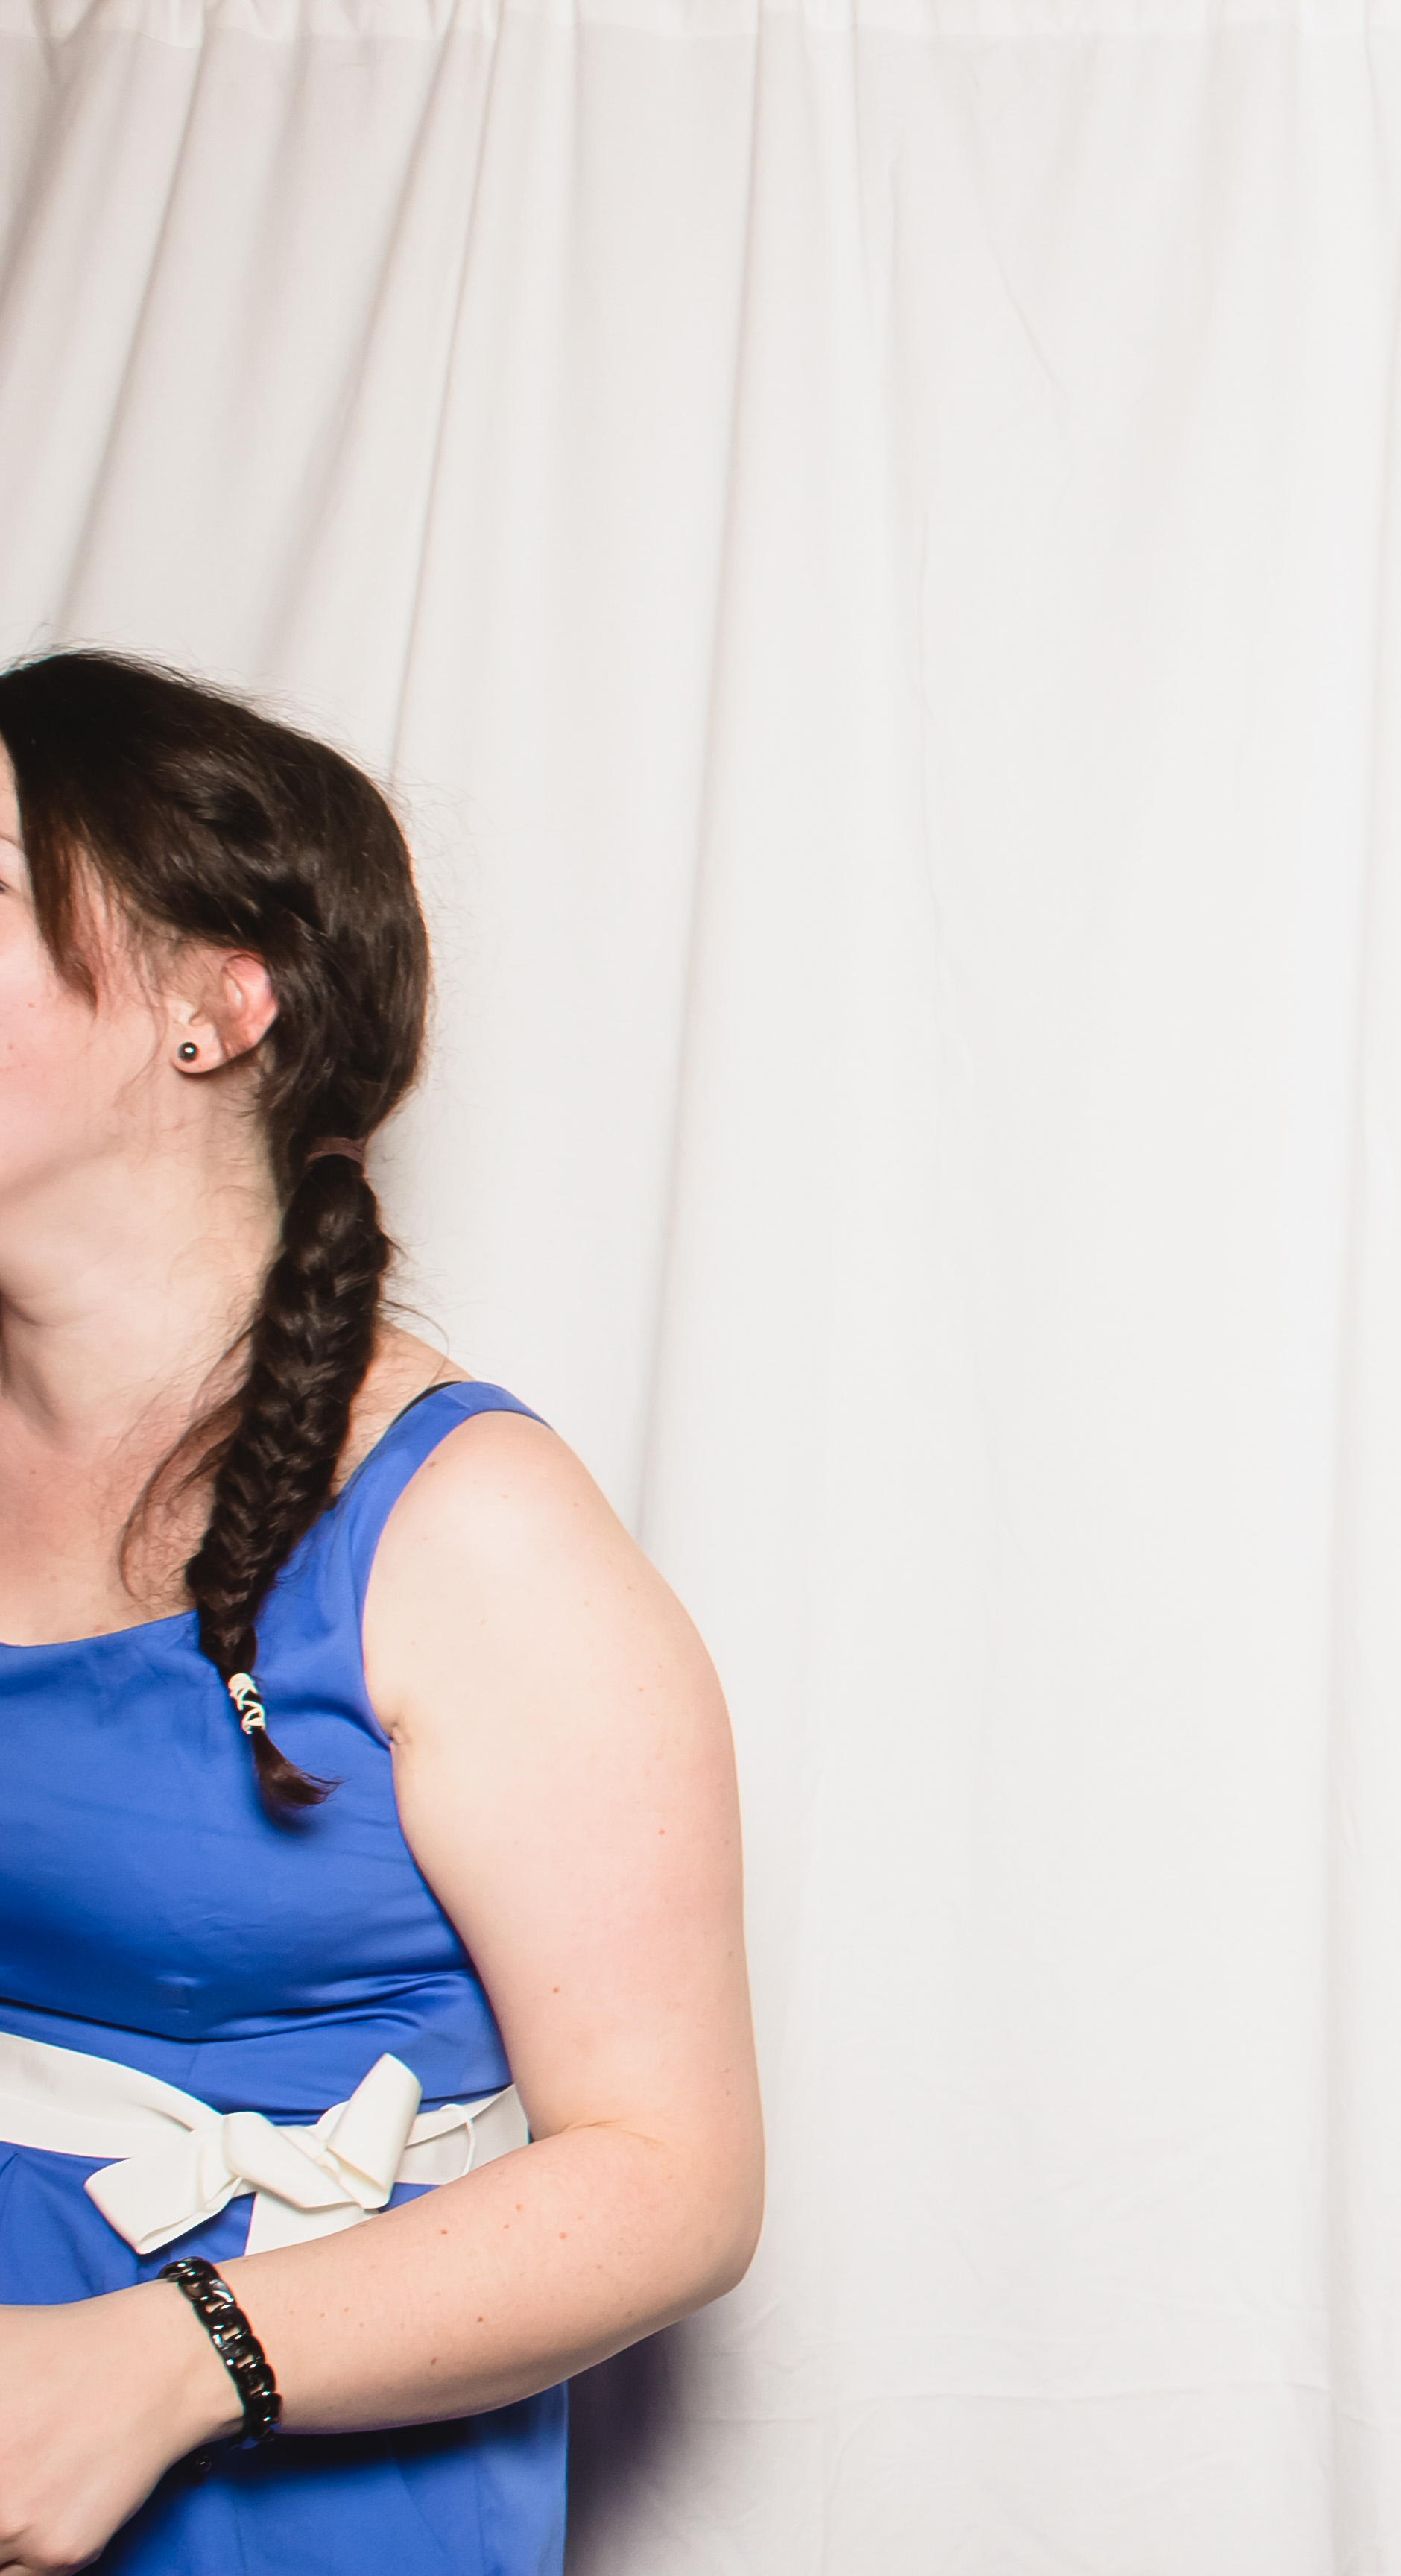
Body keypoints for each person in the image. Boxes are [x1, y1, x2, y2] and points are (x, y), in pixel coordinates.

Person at [0, 653, 762, 2573]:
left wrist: (162, 2366)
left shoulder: (466, 1527)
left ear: (215, 1004)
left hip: (278, 2499)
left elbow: (673, 2180)